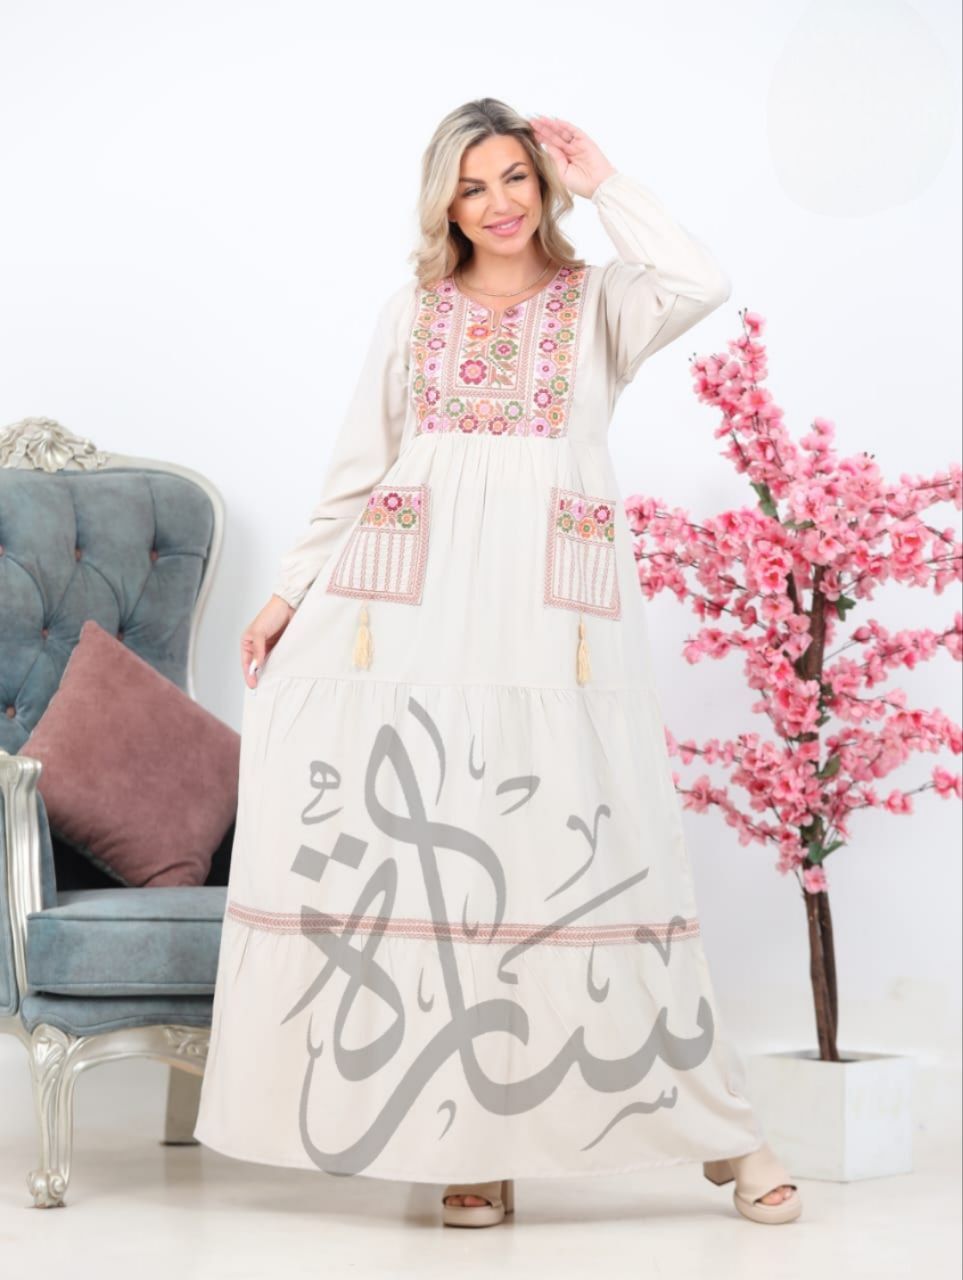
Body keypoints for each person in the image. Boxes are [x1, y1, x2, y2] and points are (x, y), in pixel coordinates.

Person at [193, 98, 802, 1230]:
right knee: (450, 859)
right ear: (446, 204)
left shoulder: (601, 304)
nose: (499, 204)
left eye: (516, 177)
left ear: (545, 184)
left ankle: (725, 1134)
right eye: (472, 186)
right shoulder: (413, 313)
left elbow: (701, 278)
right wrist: (286, 596)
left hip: (555, 620)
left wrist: (607, 179)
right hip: (413, 614)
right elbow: (359, 468)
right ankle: (469, 1142)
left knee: (588, 853)